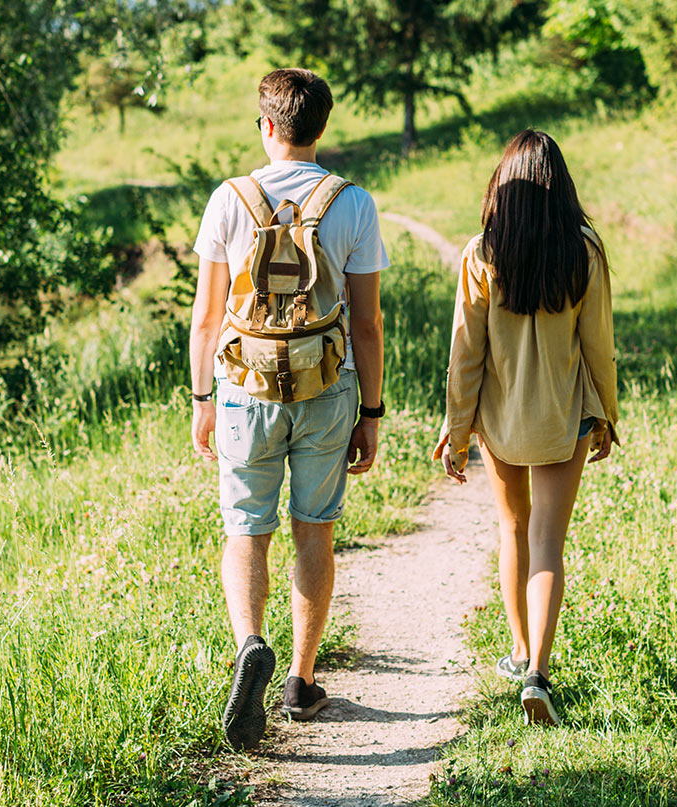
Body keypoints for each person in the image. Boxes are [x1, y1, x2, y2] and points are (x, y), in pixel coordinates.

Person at [190, 68, 387, 750]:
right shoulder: (352, 203)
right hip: (326, 386)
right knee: (314, 530)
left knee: (246, 528)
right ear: (320, 128)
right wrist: (372, 411)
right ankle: (300, 681)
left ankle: (250, 643)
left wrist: (202, 399)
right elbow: (368, 324)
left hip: (244, 388)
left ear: (268, 126)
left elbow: (207, 316)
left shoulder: (230, 199)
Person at [433, 129, 620, 726]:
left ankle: (517, 653)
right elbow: (599, 345)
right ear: (560, 185)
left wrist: (456, 427)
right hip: (564, 416)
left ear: (502, 187)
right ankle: (538, 669)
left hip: (499, 418)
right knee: (548, 542)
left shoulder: (482, 253)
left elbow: (466, 352)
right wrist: (607, 414)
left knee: (512, 528)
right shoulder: (584, 250)